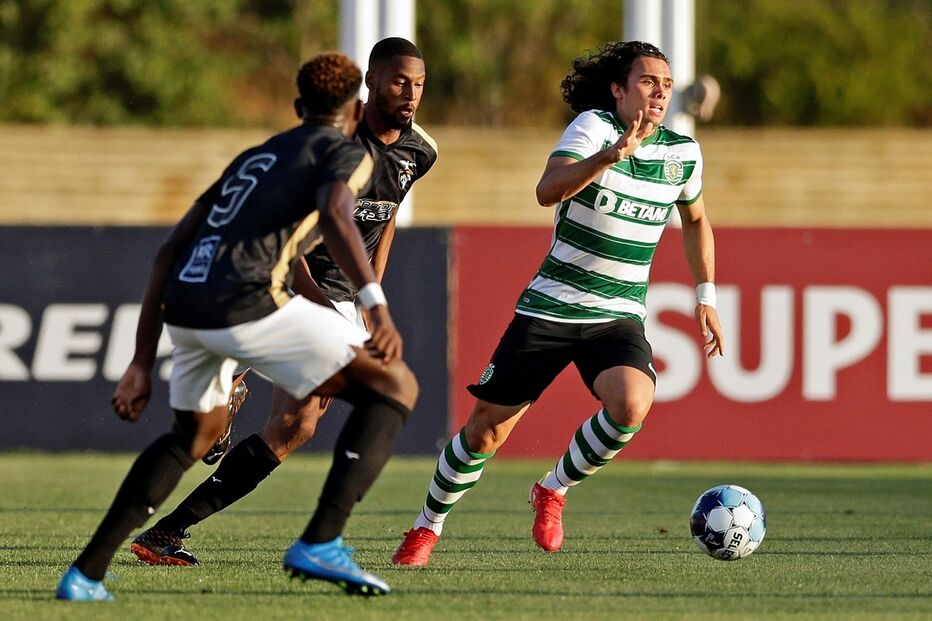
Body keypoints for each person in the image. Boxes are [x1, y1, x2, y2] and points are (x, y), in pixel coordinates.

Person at [55, 51, 417, 601]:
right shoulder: (345, 151)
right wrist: (378, 304)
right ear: (354, 108)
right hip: (249, 303)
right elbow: (340, 216)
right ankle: (322, 541)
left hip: (188, 308)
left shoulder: (255, 156)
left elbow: (168, 251)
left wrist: (139, 362)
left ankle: (85, 575)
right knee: (394, 387)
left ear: (298, 107)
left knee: (191, 438)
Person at [391, 41, 724, 566]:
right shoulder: (593, 128)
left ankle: (553, 488)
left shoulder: (683, 153)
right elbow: (548, 191)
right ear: (618, 90)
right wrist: (609, 157)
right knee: (484, 432)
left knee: (632, 403)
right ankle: (426, 526)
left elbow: (697, 220)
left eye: (665, 83)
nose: (660, 91)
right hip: (551, 308)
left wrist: (705, 294)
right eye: (646, 81)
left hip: (616, 316)